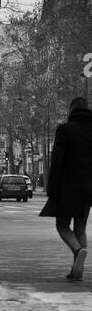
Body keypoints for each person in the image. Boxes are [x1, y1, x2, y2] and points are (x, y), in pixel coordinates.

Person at [47, 97, 92, 280]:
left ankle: (78, 250)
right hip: (88, 188)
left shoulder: (65, 130)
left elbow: (57, 161)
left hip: (68, 187)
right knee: (80, 228)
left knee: (62, 225)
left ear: (71, 110)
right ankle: (77, 269)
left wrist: (52, 187)